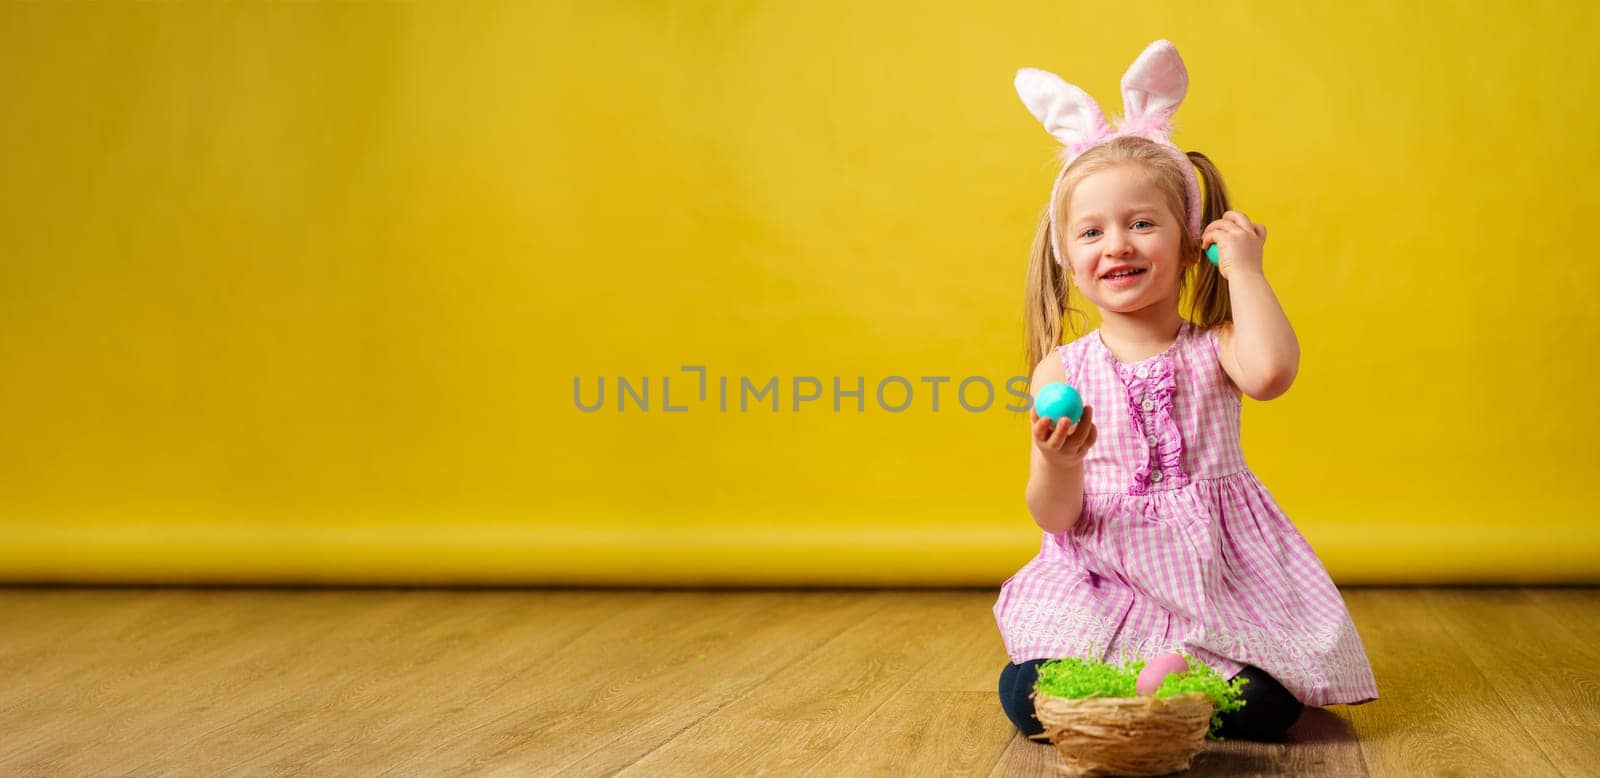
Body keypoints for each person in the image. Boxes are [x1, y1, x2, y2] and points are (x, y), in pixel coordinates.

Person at [993, 40, 1378, 743]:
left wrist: (1246, 271)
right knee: (1024, 693)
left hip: (1215, 580)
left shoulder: (1219, 346)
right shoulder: (1062, 371)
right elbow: (1053, 519)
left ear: (1188, 238)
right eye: (1092, 230)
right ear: (1065, 255)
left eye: (1142, 223)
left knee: (1274, 708)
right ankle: (1136, 697)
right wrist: (1059, 462)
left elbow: (1271, 375)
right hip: (1103, 582)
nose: (1118, 244)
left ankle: (1179, 681)